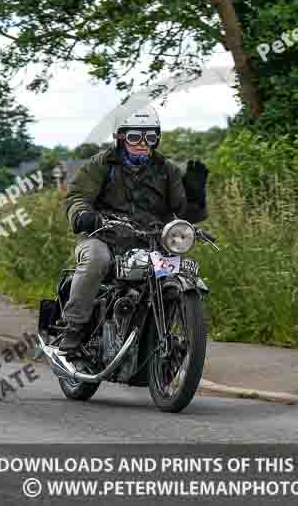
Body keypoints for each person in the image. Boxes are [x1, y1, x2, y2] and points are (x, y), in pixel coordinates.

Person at [59, 105, 209, 353]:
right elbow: (77, 196)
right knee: (96, 259)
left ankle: (164, 329)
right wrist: (84, 215)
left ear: (156, 139)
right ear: (120, 138)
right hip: (104, 235)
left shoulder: (167, 170)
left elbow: (185, 214)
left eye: (149, 137)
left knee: (181, 268)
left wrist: (196, 197)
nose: (142, 143)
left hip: (151, 241)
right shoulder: (101, 164)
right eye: (134, 136)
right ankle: (73, 328)